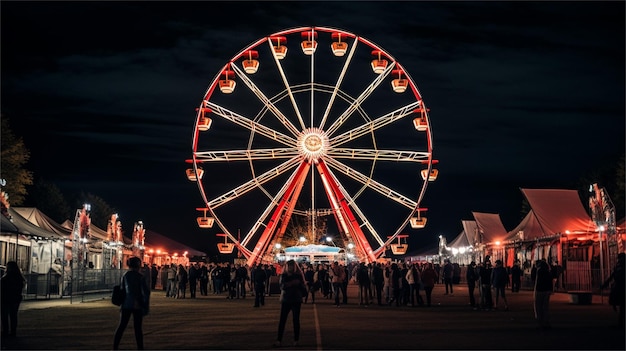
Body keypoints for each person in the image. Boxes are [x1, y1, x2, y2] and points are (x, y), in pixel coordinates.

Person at [113, 256, 150, 350]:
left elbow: (122, 290)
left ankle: (115, 347)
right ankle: (140, 348)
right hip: (137, 304)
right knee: (138, 328)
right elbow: (146, 292)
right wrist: (145, 306)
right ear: (138, 265)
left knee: (121, 326)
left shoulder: (125, 276)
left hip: (126, 304)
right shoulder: (140, 277)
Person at [274, 260, 307, 347]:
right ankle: (279, 340)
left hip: (295, 299)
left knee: (296, 320)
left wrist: (296, 284)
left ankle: (296, 340)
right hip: (286, 299)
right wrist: (293, 283)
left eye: (292, 266)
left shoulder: (298, 276)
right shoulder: (284, 275)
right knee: (282, 320)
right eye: (289, 266)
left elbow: (303, 286)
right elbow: (282, 286)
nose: (291, 267)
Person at [1, 261, 26, 338]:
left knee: (4, 316)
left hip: (6, 299)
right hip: (15, 299)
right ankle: (13, 331)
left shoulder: (5, 278)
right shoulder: (19, 278)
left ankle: (5, 331)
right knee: (13, 315)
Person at [601, 252, 625, 328]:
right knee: (620, 304)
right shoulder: (618, 267)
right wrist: (605, 284)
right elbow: (612, 275)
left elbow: (612, 276)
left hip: (622, 287)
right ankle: (621, 321)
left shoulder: (622, 267)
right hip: (619, 286)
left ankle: (621, 322)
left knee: (622, 306)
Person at [532, 259, 553, 330]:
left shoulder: (539, 271)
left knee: (538, 307)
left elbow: (536, 281)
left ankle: (540, 322)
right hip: (546, 291)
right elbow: (550, 281)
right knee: (545, 307)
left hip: (540, 290)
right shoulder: (548, 272)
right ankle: (546, 322)